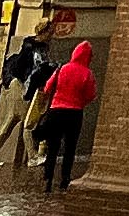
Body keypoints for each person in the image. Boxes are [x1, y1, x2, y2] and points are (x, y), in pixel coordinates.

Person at [0, 21, 51, 175]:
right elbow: (28, 69)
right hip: (21, 88)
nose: (51, 34)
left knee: (11, 120)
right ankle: (32, 156)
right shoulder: (31, 47)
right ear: (44, 31)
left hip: (24, 87)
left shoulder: (39, 47)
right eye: (50, 31)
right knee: (27, 121)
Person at [38, 40, 97, 195]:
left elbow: (48, 87)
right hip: (74, 113)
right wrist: (79, 101)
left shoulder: (62, 69)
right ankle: (65, 178)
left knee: (53, 146)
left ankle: (48, 177)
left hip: (56, 111)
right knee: (70, 147)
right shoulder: (87, 74)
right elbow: (91, 95)